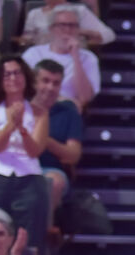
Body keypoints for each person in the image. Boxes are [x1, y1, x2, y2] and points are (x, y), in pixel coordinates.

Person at [0, 56, 49, 255]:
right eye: (7, 74)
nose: (13, 78)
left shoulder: (40, 112)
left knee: (30, 236)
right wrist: (10, 125)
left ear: (25, 77)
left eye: (17, 73)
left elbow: (35, 150)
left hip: (29, 177)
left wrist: (22, 129)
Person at [21, 5, 100, 109]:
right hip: (37, 109)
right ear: (51, 29)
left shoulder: (89, 58)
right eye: (62, 25)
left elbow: (85, 97)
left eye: (72, 26)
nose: (67, 30)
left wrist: (76, 57)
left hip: (70, 111)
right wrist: (61, 100)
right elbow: (23, 91)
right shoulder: (32, 54)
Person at [32, 59, 80, 226]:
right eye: (45, 81)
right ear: (34, 82)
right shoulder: (20, 108)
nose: (50, 87)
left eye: (56, 83)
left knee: (53, 182)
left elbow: (73, 155)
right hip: (20, 166)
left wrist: (44, 140)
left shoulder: (69, 113)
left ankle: (42, 232)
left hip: (50, 169)